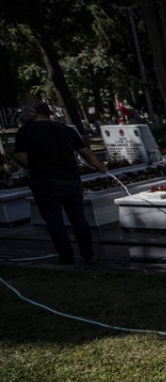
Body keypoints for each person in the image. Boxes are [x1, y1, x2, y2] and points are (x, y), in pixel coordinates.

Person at [12, 102, 111, 265]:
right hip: (70, 179)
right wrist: (100, 166)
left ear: (33, 112)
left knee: (54, 221)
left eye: (22, 112)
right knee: (78, 219)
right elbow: (85, 151)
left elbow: (21, 158)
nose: (21, 116)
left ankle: (67, 258)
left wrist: (35, 165)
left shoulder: (26, 131)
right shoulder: (67, 130)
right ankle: (89, 255)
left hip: (44, 181)